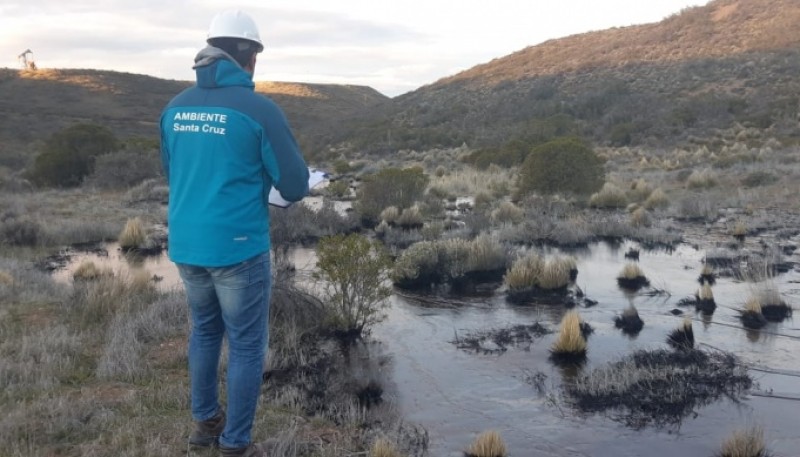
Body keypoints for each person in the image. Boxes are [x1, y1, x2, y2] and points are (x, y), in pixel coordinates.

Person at [159, 9, 309, 457]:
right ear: (249, 56)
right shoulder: (259, 109)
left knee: (205, 331)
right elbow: (296, 185)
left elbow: (173, 172)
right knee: (246, 344)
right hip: (239, 247)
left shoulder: (174, 108)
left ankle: (205, 424)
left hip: (187, 244)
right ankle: (236, 444)